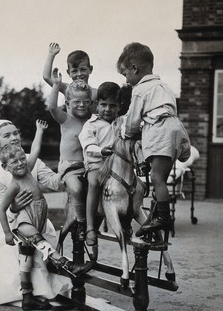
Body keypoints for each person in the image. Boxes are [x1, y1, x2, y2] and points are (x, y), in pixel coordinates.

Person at [0, 119, 72, 308]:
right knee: (19, 252)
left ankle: (43, 289)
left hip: (35, 215)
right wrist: (14, 208)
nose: (13, 138)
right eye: (6, 135)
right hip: (9, 221)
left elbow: (52, 181)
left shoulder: (27, 160)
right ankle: (28, 292)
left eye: (15, 133)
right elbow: (0, 205)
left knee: (39, 242)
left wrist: (66, 175)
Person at [117, 42, 191, 232]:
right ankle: (157, 213)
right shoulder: (164, 86)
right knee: (162, 177)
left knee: (156, 177)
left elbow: (133, 120)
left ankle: (163, 218)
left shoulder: (140, 90)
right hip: (175, 128)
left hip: (161, 131)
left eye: (125, 74)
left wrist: (126, 133)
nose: (126, 80)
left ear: (135, 68)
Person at [47, 68, 92, 240]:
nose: (81, 105)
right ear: (67, 102)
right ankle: (81, 223)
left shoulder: (90, 121)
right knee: (77, 188)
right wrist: (56, 85)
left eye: (86, 102)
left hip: (87, 167)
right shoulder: (66, 120)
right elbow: (51, 106)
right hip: (70, 168)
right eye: (76, 102)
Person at [79, 82, 124, 246]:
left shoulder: (121, 123)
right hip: (97, 163)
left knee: (132, 183)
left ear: (119, 106)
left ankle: (126, 221)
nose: (107, 109)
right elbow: (88, 145)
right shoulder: (91, 125)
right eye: (103, 105)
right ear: (96, 105)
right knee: (94, 182)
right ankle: (90, 227)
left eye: (112, 106)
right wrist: (101, 150)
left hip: (116, 166)